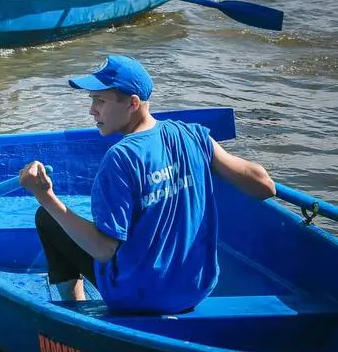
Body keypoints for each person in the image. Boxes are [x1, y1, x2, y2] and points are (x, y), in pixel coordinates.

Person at [19, 55, 276, 315]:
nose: (92, 110)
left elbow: (105, 250)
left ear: (132, 103)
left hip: (137, 297)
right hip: (194, 289)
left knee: (48, 217)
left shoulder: (121, 158)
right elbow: (265, 186)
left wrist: (45, 196)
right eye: (92, 100)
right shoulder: (193, 136)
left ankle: (75, 312)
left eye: (101, 101)